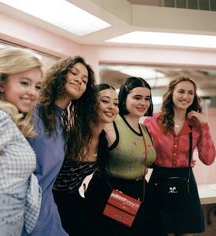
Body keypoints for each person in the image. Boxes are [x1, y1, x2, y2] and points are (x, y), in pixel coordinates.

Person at [23, 55, 97, 236]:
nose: (79, 80)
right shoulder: (30, 112)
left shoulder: (63, 128)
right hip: (19, 213)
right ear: (59, 74)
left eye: (85, 80)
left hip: (46, 213)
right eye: (74, 73)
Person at [0, 47, 42, 236]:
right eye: (24, 83)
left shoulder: (9, 120)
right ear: (1, 84)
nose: (32, 92)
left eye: (37, 86)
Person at [85, 77, 158, 236]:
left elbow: (146, 159)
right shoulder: (110, 121)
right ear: (124, 98)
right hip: (111, 193)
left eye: (147, 99)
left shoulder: (145, 129)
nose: (143, 103)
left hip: (140, 193)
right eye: (137, 97)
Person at [144, 76, 216, 236]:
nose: (186, 96)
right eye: (181, 91)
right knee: (161, 231)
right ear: (171, 93)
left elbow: (209, 158)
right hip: (159, 182)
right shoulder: (153, 121)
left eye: (191, 93)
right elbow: (145, 156)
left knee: (187, 232)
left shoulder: (196, 124)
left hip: (187, 183)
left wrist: (204, 125)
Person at [52, 83, 119, 236]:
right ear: (91, 104)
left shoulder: (105, 140)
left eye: (115, 103)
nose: (111, 106)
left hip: (74, 200)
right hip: (51, 202)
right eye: (105, 101)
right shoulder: (70, 135)